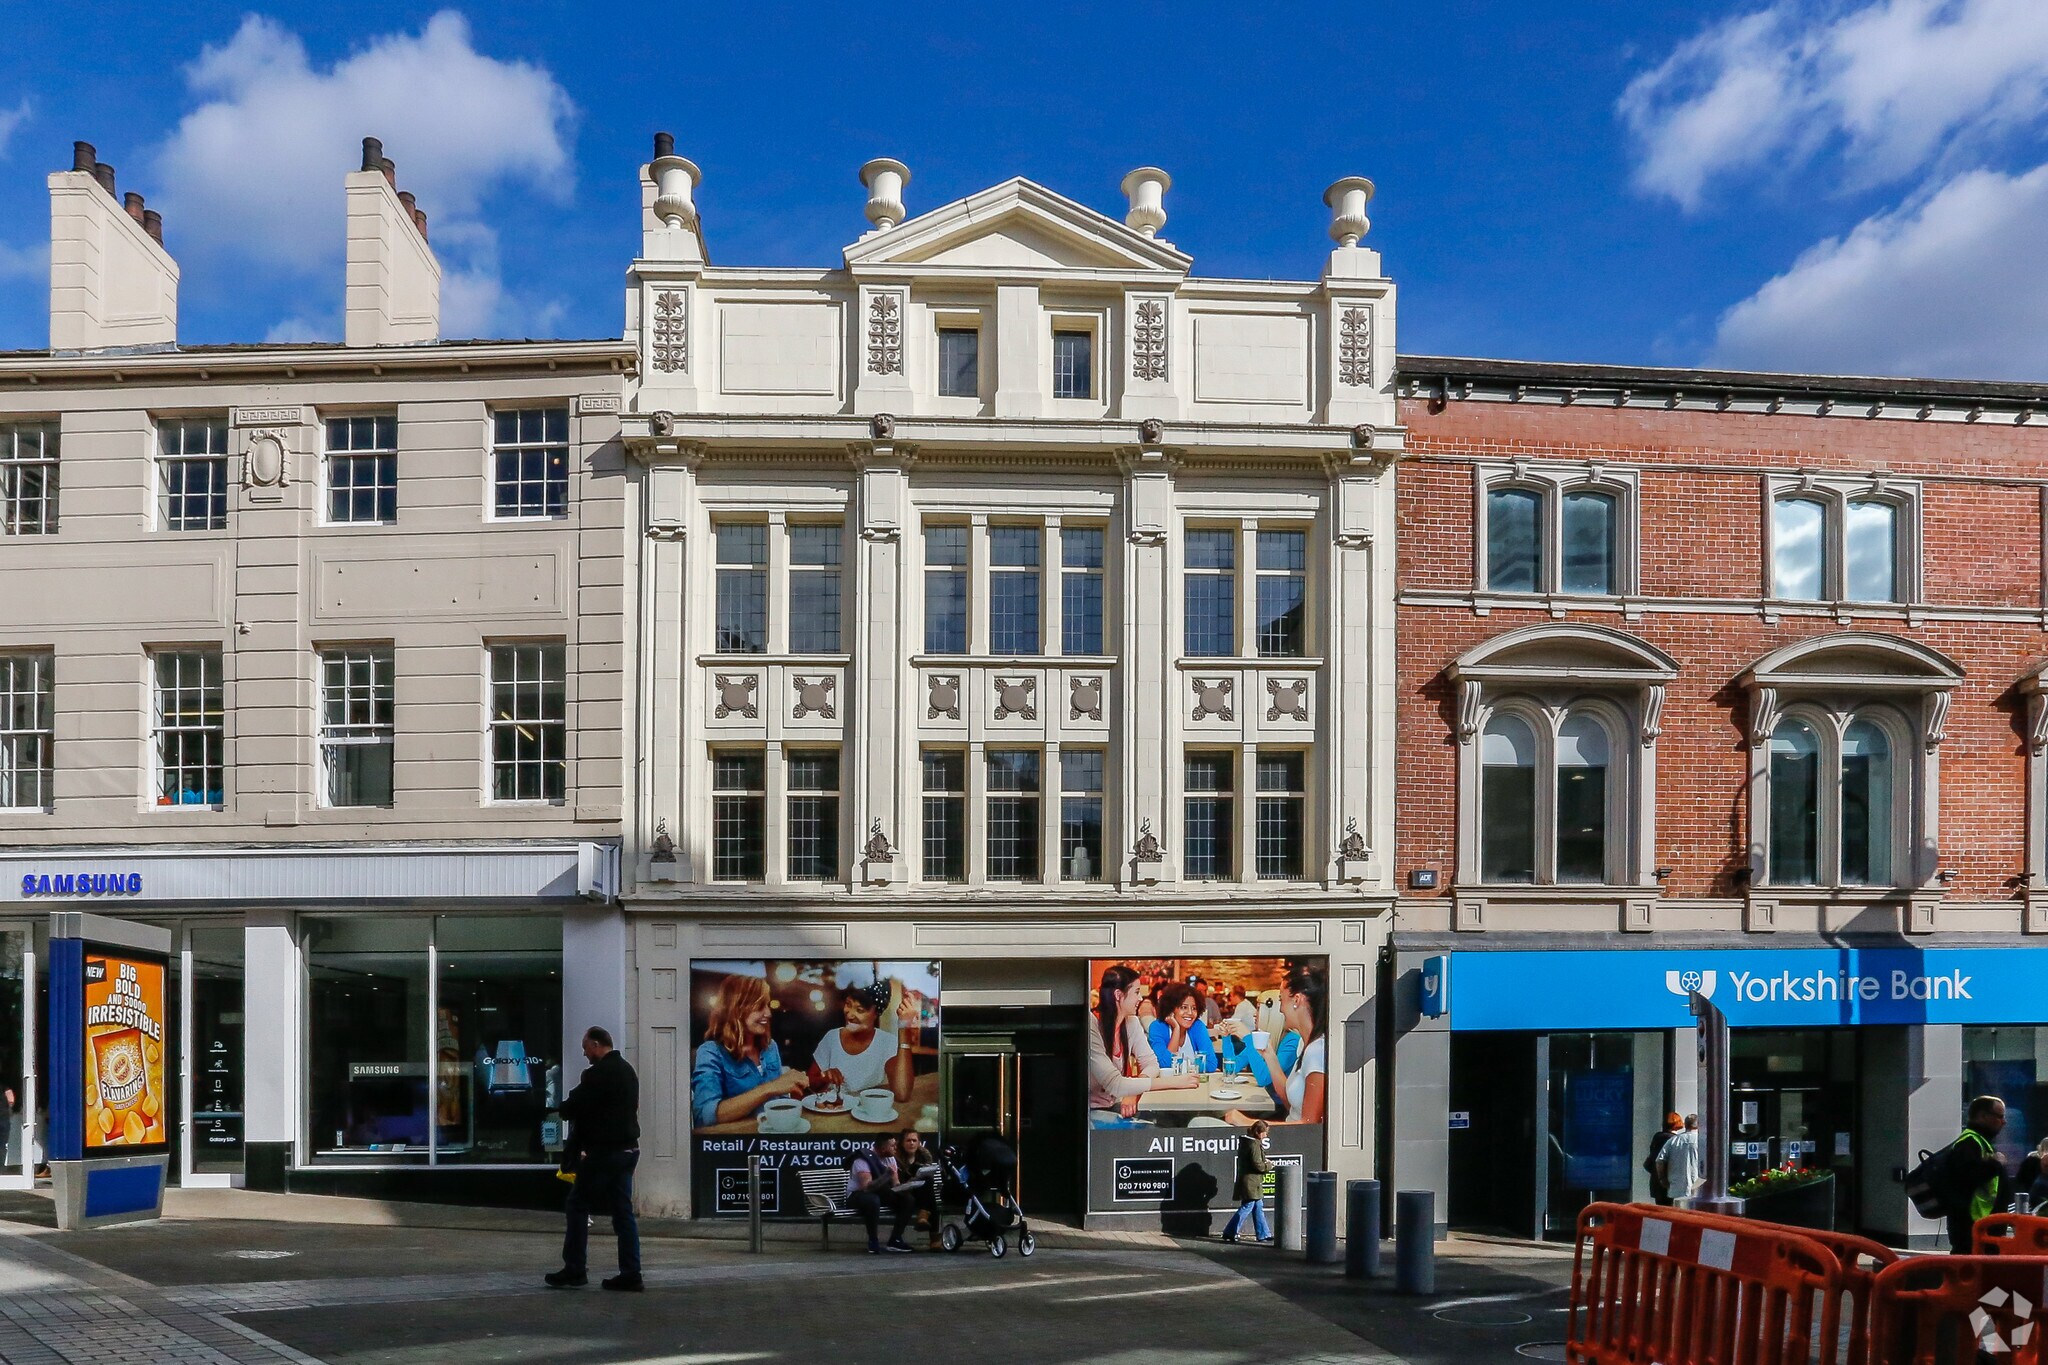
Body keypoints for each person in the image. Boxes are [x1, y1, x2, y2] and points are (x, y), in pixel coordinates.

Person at [547, 1027, 642, 1291]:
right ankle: (632, 1272)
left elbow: (573, 1106)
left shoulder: (598, 1073)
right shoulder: (627, 1071)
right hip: (629, 1150)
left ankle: (575, 1268)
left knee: (577, 1203)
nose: (585, 1053)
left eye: (586, 1047)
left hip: (605, 1152)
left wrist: (561, 1108)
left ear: (598, 1044)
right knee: (623, 1212)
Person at [690, 973, 806, 1128]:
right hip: (736, 1145)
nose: (768, 1013)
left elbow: (779, 1099)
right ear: (736, 1008)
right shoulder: (711, 1052)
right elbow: (703, 1116)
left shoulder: (771, 1047)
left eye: (767, 1005)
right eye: (759, 1007)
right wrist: (771, 1088)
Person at [1089, 965, 1200, 1124]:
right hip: (1092, 1113)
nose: (1140, 998)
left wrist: (1132, 1092)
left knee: (1177, 1117)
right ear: (1118, 995)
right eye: (1136, 992)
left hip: (1117, 1104)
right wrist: (1176, 1082)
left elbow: (1151, 1063)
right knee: (1159, 1127)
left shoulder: (1131, 1023)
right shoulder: (1091, 1024)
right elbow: (1115, 1084)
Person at [1227, 961, 1327, 1126]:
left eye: (1281, 1000)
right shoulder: (1304, 1044)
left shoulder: (1317, 1050)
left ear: (1297, 1000)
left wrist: (1247, 1122)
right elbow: (1291, 1104)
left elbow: (1309, 1125)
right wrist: (1269, 1055)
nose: (1280, 1009)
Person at [809, 979, 917, 1102]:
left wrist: (904, 1027)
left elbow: (902, 1094)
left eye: (859, 1010)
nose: (849, 1015)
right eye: (848, 1004)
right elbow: (809, 1084)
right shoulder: (832, 1038)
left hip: (870, 1115)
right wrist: (825, 1077)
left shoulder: (887, 1043)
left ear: (876, 1013)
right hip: (834, 1117)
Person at [1946, 1095, 2009, 1253]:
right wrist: (1996, 1163)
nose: (2004, 1122)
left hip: (1984, 1227)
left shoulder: (1981, 1142)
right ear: (1983, 1116)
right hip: (1972, 1229)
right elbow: (1967, 1177)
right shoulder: (1969, 1143)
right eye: (1999, 1116)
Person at [847, 1135, 914, 1253]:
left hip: (880, 1193)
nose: (896, 1148)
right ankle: (873, 1240)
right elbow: (866, 1187)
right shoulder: (862, 1159)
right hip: (857, 1195)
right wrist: (886, 1176)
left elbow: (895, 1185)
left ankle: (895, 1239)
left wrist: (908, 1186)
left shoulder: (890, 1158)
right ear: (883, 1148)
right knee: (873, 1200)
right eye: (892, 1145)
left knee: (907, 1200)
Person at [1148, 982, 1227, 1072]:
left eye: (1194, 1008)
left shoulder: (1197, 1026)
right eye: (1184, 1007)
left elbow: (1211, 1064)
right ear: (1171, 1009)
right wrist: (1176, 1029)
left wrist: (1184, 1069)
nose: (1190, 1013)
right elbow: (1164, 1065)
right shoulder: (1157, 1027)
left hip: (1195, 1084)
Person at [1222, 1120, 1275, 1243]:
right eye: (1264, 1133)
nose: (1266, 1135)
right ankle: (1230, 1232)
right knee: (1248, 1206)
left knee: (1258, 1206)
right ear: (1258, 1132)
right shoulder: (1254, 1145)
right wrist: (1269, 1165)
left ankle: (1263, 1234)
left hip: (1249, 1181)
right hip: (1252, 1183)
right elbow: (1258, 1166)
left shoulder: (1246, 1143)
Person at [896, 1128, 942, 1249]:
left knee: (927, 1182)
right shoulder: (896, 1158)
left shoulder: (924, 1156)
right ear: (902, 1143)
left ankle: (923, 1215)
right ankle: (934, 1238)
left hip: (922, 1193)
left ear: (919, 1143)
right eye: (908, 1140)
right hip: (905, 1193)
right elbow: (897, 1181)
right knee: (931, 1200)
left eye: (914, 1140)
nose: (911, 1143)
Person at [1659, 1113, 1703, 1205]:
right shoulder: (1702, 1140)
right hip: (1698, 1186)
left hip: (1676, 1187)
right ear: (1699, 1124)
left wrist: (1662, 1179)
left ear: (1685, 1125)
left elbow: (1660, 1161)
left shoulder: (1673, 1140)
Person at [1645, 1113, 1681, 1206]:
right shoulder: (1674, 1140)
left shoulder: (1657, 1137)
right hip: (1669, 1181)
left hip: (1656, 1180)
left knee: (1660, 1209)